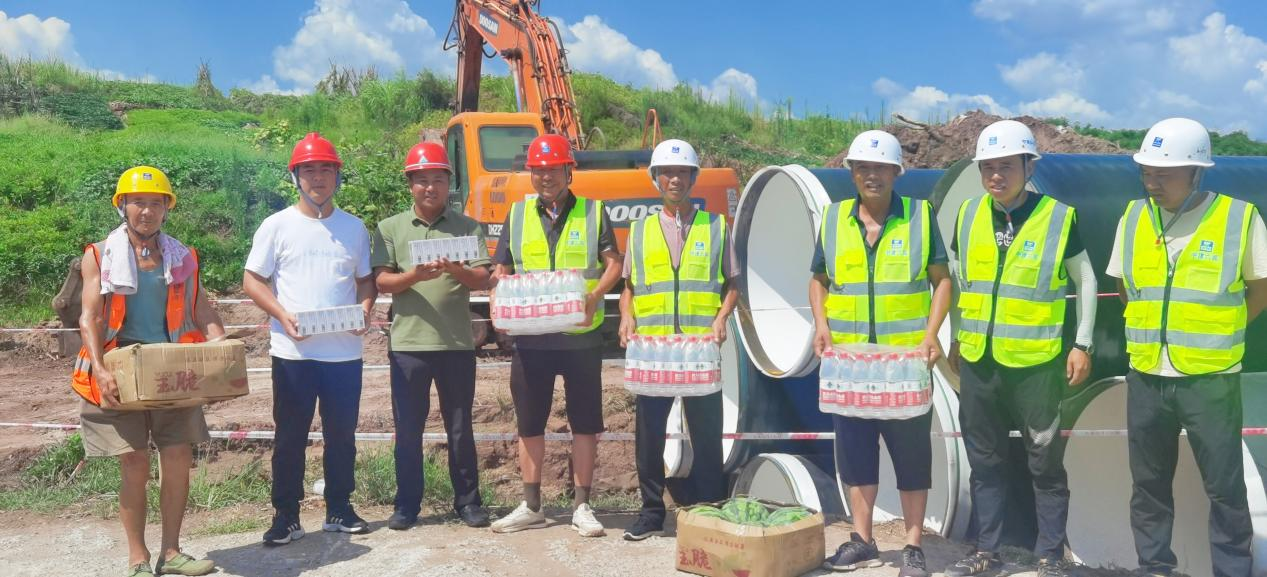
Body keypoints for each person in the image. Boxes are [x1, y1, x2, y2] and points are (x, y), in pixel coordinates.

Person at [1107, 117, 1267, 577]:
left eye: (1164, 174)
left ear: (1196, 172)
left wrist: (1221, 330)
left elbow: (1259, 288)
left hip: (1209, 379)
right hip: (1147, 375)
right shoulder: (1134, 216)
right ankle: (1155, 567)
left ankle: (1232, 570)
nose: (1152, 183)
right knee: (1149, 485)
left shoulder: (1239, 218)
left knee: (1224, 487)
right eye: (1146, 173)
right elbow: (1125, 287)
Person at [945, 120, 1097, 577]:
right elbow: (961, 283)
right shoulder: (968, 214)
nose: (996, 175)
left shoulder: (1058, 216)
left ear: (1029, 167)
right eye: (987, 167)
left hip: (1036, 364)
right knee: (985, 462)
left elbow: (1086, 279)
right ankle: (985, 550)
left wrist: (1082, 343)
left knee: (1044, 463)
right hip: (980, 361)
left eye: (1007, 166)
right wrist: (957, 336)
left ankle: (1049, 555)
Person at [810, 131, 952, 577]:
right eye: (864, 168)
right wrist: (821, 325)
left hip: (904, 363)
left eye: (881, 168)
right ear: (852, 173)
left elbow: (942, 280)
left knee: (911, 456)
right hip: (850, 363)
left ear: (896, 173)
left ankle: (912, 546)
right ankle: (863, 540)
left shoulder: (920, 216)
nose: (872, 175)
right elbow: (818, 279)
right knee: (856, 455)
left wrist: (932, 334)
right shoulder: (833, 218)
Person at [72, 166, 223, 577]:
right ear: (122, 206)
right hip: (119, 368)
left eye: (156, 203)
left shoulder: (182, 257)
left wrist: (220, 352)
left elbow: (202, 309)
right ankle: (137, 559)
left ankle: (171, 552)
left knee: (177, 457)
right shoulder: (100, 254)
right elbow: (90, 317)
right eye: (138, 202)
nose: (147, 210)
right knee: (135, 461)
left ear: (166, 209)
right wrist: (100, 369)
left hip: (170, 367)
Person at [243, 133, 377, 545]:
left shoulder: (354, 228)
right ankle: (286, 515)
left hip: (343, 354)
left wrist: (365, 310)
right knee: (289, 437)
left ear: (337, 176)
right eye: (309, 170)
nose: (318, 178)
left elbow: (366, 281)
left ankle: (339, 507)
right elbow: (252, 280)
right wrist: (281, 314)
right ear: (295, 177)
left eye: (326, 169)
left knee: (342, 436)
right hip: (293, 353)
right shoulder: (277, 226)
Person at [488, 133, 623, 537]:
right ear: (531, 173)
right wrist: (496, 297)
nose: (545, 177)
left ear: (569, 171)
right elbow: (502, 268)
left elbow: (614, 264)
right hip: (531, 339)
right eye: (539, 170)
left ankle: (582, 506)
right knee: (530, 422)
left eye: (553, 169)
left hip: (580, 337)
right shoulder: (517, 215)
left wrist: (594, 296)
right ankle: (531, 506)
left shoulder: (593, 212)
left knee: (585, 423)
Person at [618, 139, 738, 541]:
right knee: (649, 435)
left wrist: (721, 318)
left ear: (692, 178)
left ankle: (709, 509)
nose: (674, 179)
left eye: (682, 172)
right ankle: (652, 512)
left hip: (699, 350)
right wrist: (626, 316)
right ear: (656, 179)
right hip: (654, 352)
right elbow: (629, 287)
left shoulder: (716, 226)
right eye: (667, 173)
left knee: (707, 433)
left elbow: (733, 284)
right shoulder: (639, 230)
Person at [372, 141, 492, 530]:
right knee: (408, 429)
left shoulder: (468, 227)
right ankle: (407, 505)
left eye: (438, 180)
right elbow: (382, 282)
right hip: (409, 346)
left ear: (448, 184)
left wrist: (457, 270)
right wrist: (414, 275)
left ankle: (468, 502)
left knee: (460, 427)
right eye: (422, 180)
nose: (430, 188)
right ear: (410, 184)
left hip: (456, 343)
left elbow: (483, 278)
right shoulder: (390, 228)